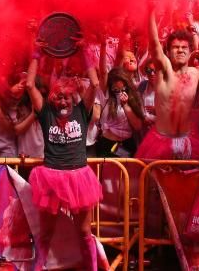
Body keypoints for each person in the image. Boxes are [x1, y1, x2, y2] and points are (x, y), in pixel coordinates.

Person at [25, 55, 102, 271]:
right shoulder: (46, 113)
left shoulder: (81, 112)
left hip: (79, 179)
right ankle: (37, 268)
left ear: (73, 98)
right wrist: (36, 54)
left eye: (67, 97)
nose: (63, 101)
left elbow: (95, 83)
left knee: (85, 232)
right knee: (46, 232)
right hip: (51, 177)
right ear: (51, 99)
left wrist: (83, 51)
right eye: (58, 97)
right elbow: (30, 84)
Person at [136, 0, 199, 160]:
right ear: (167, 52)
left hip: (188, 140)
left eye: (184, 47)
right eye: (175, 47)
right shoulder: (164, 70)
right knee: (156, 185)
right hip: (161, 141)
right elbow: (154, 44)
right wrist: (151, 11)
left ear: (190, 52)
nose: (180, 50)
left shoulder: (195, 73)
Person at [95, 68, 145, 157]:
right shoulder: (106, 96)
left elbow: (137, 126)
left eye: (123, 89)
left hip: (127, 145)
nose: (120, 93)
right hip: (108, 144)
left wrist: (125, 105)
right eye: (116, 90)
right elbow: (103, 72)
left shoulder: (134, 97)